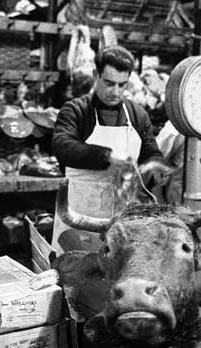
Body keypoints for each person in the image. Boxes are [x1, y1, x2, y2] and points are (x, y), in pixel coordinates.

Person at [51, 45, 170, 254]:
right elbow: (63, 146)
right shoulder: (75, 110)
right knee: (77, 276)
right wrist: (107, 156)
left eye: (122, 85)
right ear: (96, 75)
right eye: (109, 83)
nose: (115, 92)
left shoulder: (138, 114)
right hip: (79, 220)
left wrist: (156, 165)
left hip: (122, 223)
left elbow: (150, 149)